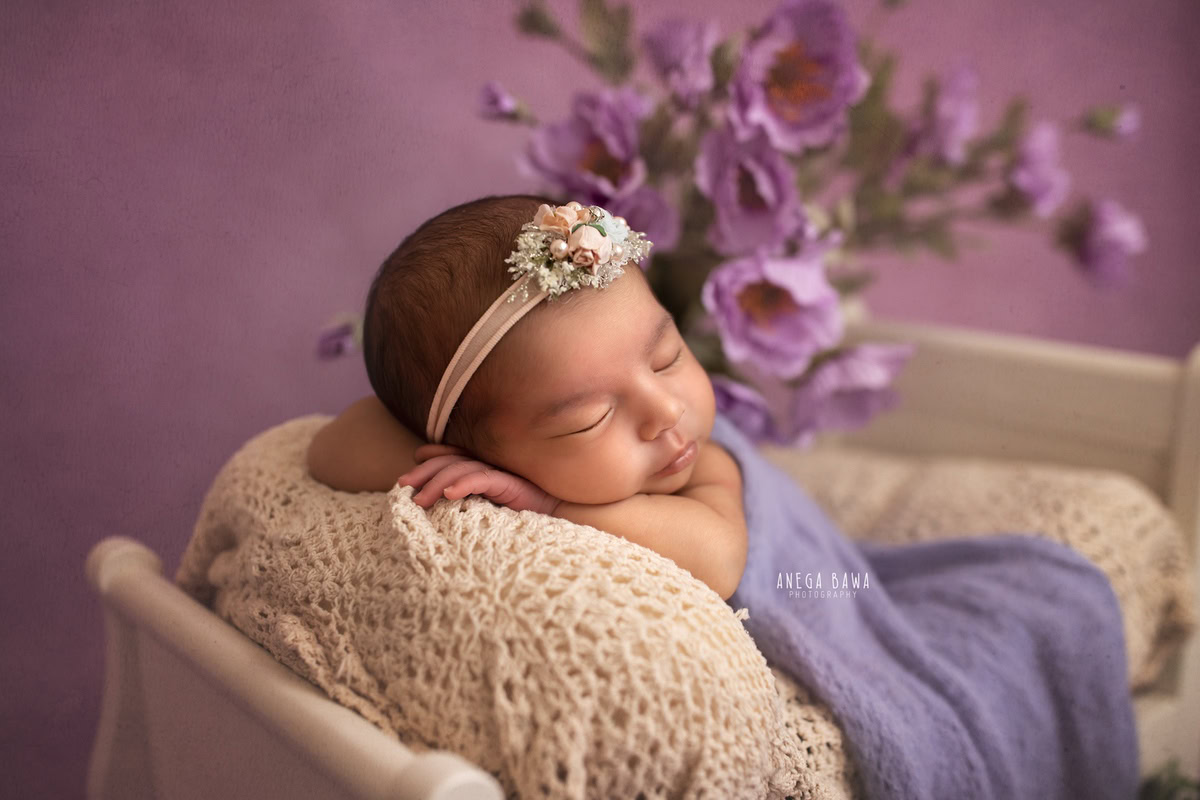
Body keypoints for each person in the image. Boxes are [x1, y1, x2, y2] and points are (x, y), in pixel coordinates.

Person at [306, 194, 748, 600]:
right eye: (591, 419)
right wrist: (465, 469)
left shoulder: (706, 462)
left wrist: (550, 504)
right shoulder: (488, 454)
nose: (668, 411)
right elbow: (329, 450)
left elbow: (720, 562)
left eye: (667, 358)